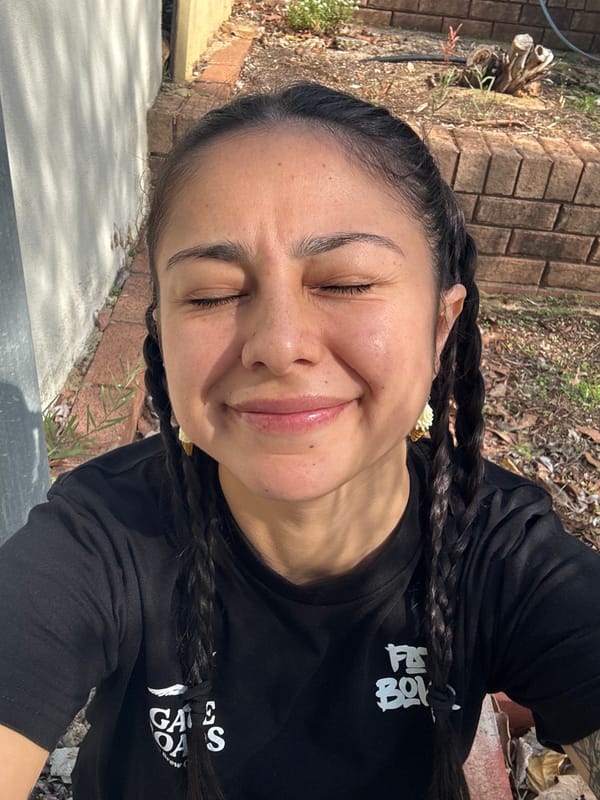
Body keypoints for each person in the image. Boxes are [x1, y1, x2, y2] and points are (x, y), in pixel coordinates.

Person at [0, 82, 599, 800]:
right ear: (162, 337)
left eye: (345, 283)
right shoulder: (99, 540)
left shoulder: (504, 553)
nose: (279, 346)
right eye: (213, 294)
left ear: (442, 326)